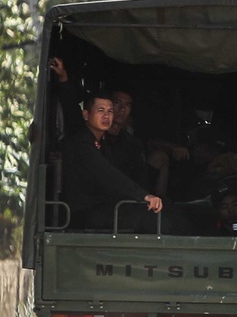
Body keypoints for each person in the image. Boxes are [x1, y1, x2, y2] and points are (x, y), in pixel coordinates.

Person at [61, 91, 163, 231]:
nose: (106, 116)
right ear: (86, 115)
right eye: (101, 111)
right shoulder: (81, 142)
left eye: (110, 112)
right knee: (147, 220)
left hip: (102, 207)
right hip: (84, 212)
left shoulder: (102, 141)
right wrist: (143, 195)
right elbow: (107, 174)